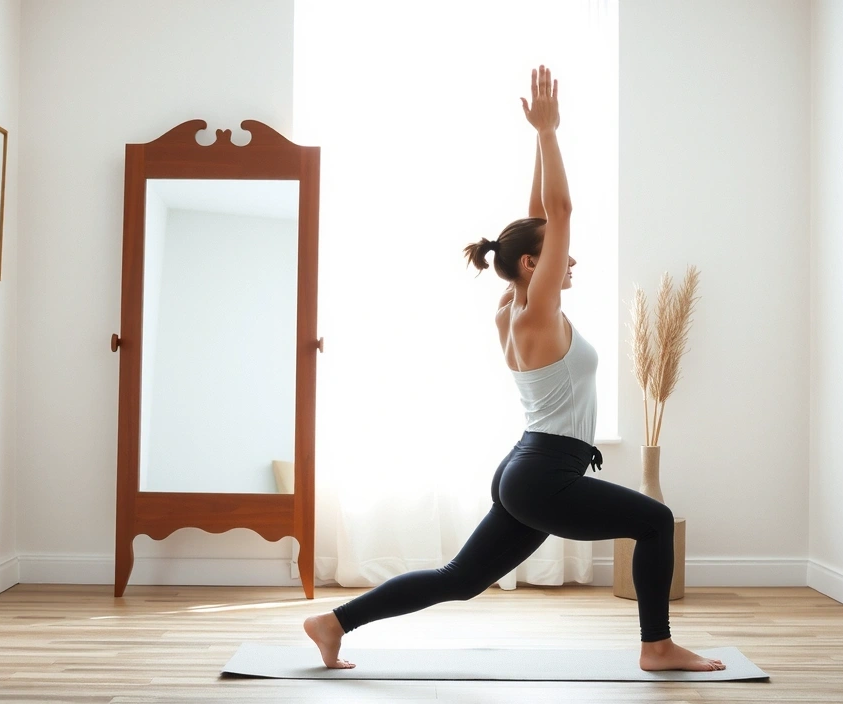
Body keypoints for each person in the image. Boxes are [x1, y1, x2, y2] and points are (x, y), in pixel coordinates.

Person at [303, 66, 725, 673]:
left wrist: (537, 139)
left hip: (529, 469)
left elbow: (537, 217)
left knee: (461, 578)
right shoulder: (535, 316)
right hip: (543, 473)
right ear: (532, 264)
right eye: (555, 252)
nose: (569, 257)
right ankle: (656, 647)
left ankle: (333, 623)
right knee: (655, 522)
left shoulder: (513, 305)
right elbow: (559, 208)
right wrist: (552, 134)